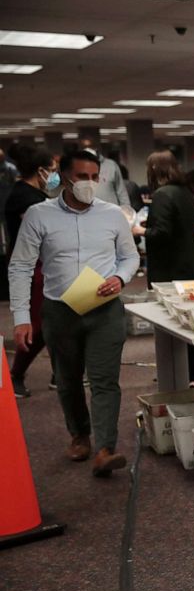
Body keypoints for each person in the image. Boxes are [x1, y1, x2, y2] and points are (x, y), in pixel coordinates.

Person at [8, 149, 139, 475]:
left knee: (104, 380)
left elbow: (130, 257)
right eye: (83, 177)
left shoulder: (112, 215)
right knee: (67, 381)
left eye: (95, 177)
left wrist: (119, 277)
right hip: (59, 311)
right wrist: (22, 318)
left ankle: (105, 448)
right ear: (64, 177)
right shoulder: (39, 215)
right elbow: (20, 266)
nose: (90, 183)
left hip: (105, 310)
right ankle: (79, 435)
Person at [133, 150, 194, 387]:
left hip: (172, 270)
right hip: (189, 265)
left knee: (174, 323)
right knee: (189, 320)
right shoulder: (184, 192)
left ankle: (185, 373)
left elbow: (162, 234)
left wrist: (140, 231)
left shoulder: (162, 194)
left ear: (154, 170)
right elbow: (179, 225)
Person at [4, 144, 59, 398]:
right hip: (32, 268)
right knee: (37, 326)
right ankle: (15, 374)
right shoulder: (27, 199)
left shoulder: (31, 195)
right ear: (40, 171)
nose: (55, 176)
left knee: (55, 322)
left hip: (43, 266)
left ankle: (60, 375)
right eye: (52, 171)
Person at [78, 138, 129, 208]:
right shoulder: (77, 168)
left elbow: (121, 192)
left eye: (90, 146)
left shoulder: (111, 165)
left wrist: (127, 209)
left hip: (111, 212)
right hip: (88, 212)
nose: (88, 149)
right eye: (85, 147)